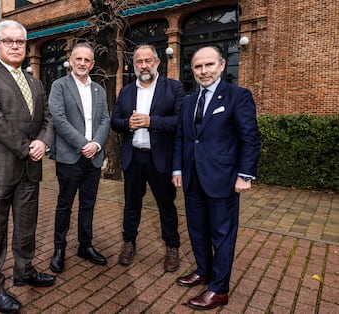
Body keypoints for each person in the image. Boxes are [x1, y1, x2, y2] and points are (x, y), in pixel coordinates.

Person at [0, 20, 55, 314]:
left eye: (20, 41)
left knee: (26, 226)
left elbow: (47, 119)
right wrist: (26, 147)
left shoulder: (35, 82)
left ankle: (25, 271)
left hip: (30, 169)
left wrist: (43, 142)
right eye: (9, 41)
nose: (16, 46)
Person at [172, 45, 261, 310]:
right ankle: (203, 270)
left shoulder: (238, 96)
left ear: (222, 65)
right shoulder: (188, 101)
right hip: (192, 178)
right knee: (197, 229)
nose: (203, 71)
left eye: (209, 65)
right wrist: (177, 170)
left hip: (223, 179)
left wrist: (245, 175)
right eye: (198, 66)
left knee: (222, 235)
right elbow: (182, 138)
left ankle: (219, 289)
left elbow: (250, 138)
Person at [111, 44, 185, 272]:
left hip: (160, 158)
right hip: (134, 158)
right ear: (134, 65)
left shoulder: (174, 88)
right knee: (131, 205)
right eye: (139, 62)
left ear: (157, 63)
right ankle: (129, 243)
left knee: (166, 205)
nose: (143, 66)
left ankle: (172, 247)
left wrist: (152, 121)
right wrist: (127, 124)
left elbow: (180, 122)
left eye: (148, 61)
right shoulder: (125, 91)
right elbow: (115, 121)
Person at [48, 42, 110, 273]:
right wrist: (84, 144)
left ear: (92, 64)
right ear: (71, 61)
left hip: (93, 157)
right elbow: (58, 118)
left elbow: (105, 119)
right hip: (69, 157)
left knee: (88, 204)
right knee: (64, 205)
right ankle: (59, 249)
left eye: (87, 60)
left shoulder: (99, 90)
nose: (82, 63)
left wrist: (95, 144)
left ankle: (85, 245)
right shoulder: (59, 86)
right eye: (78, 59)